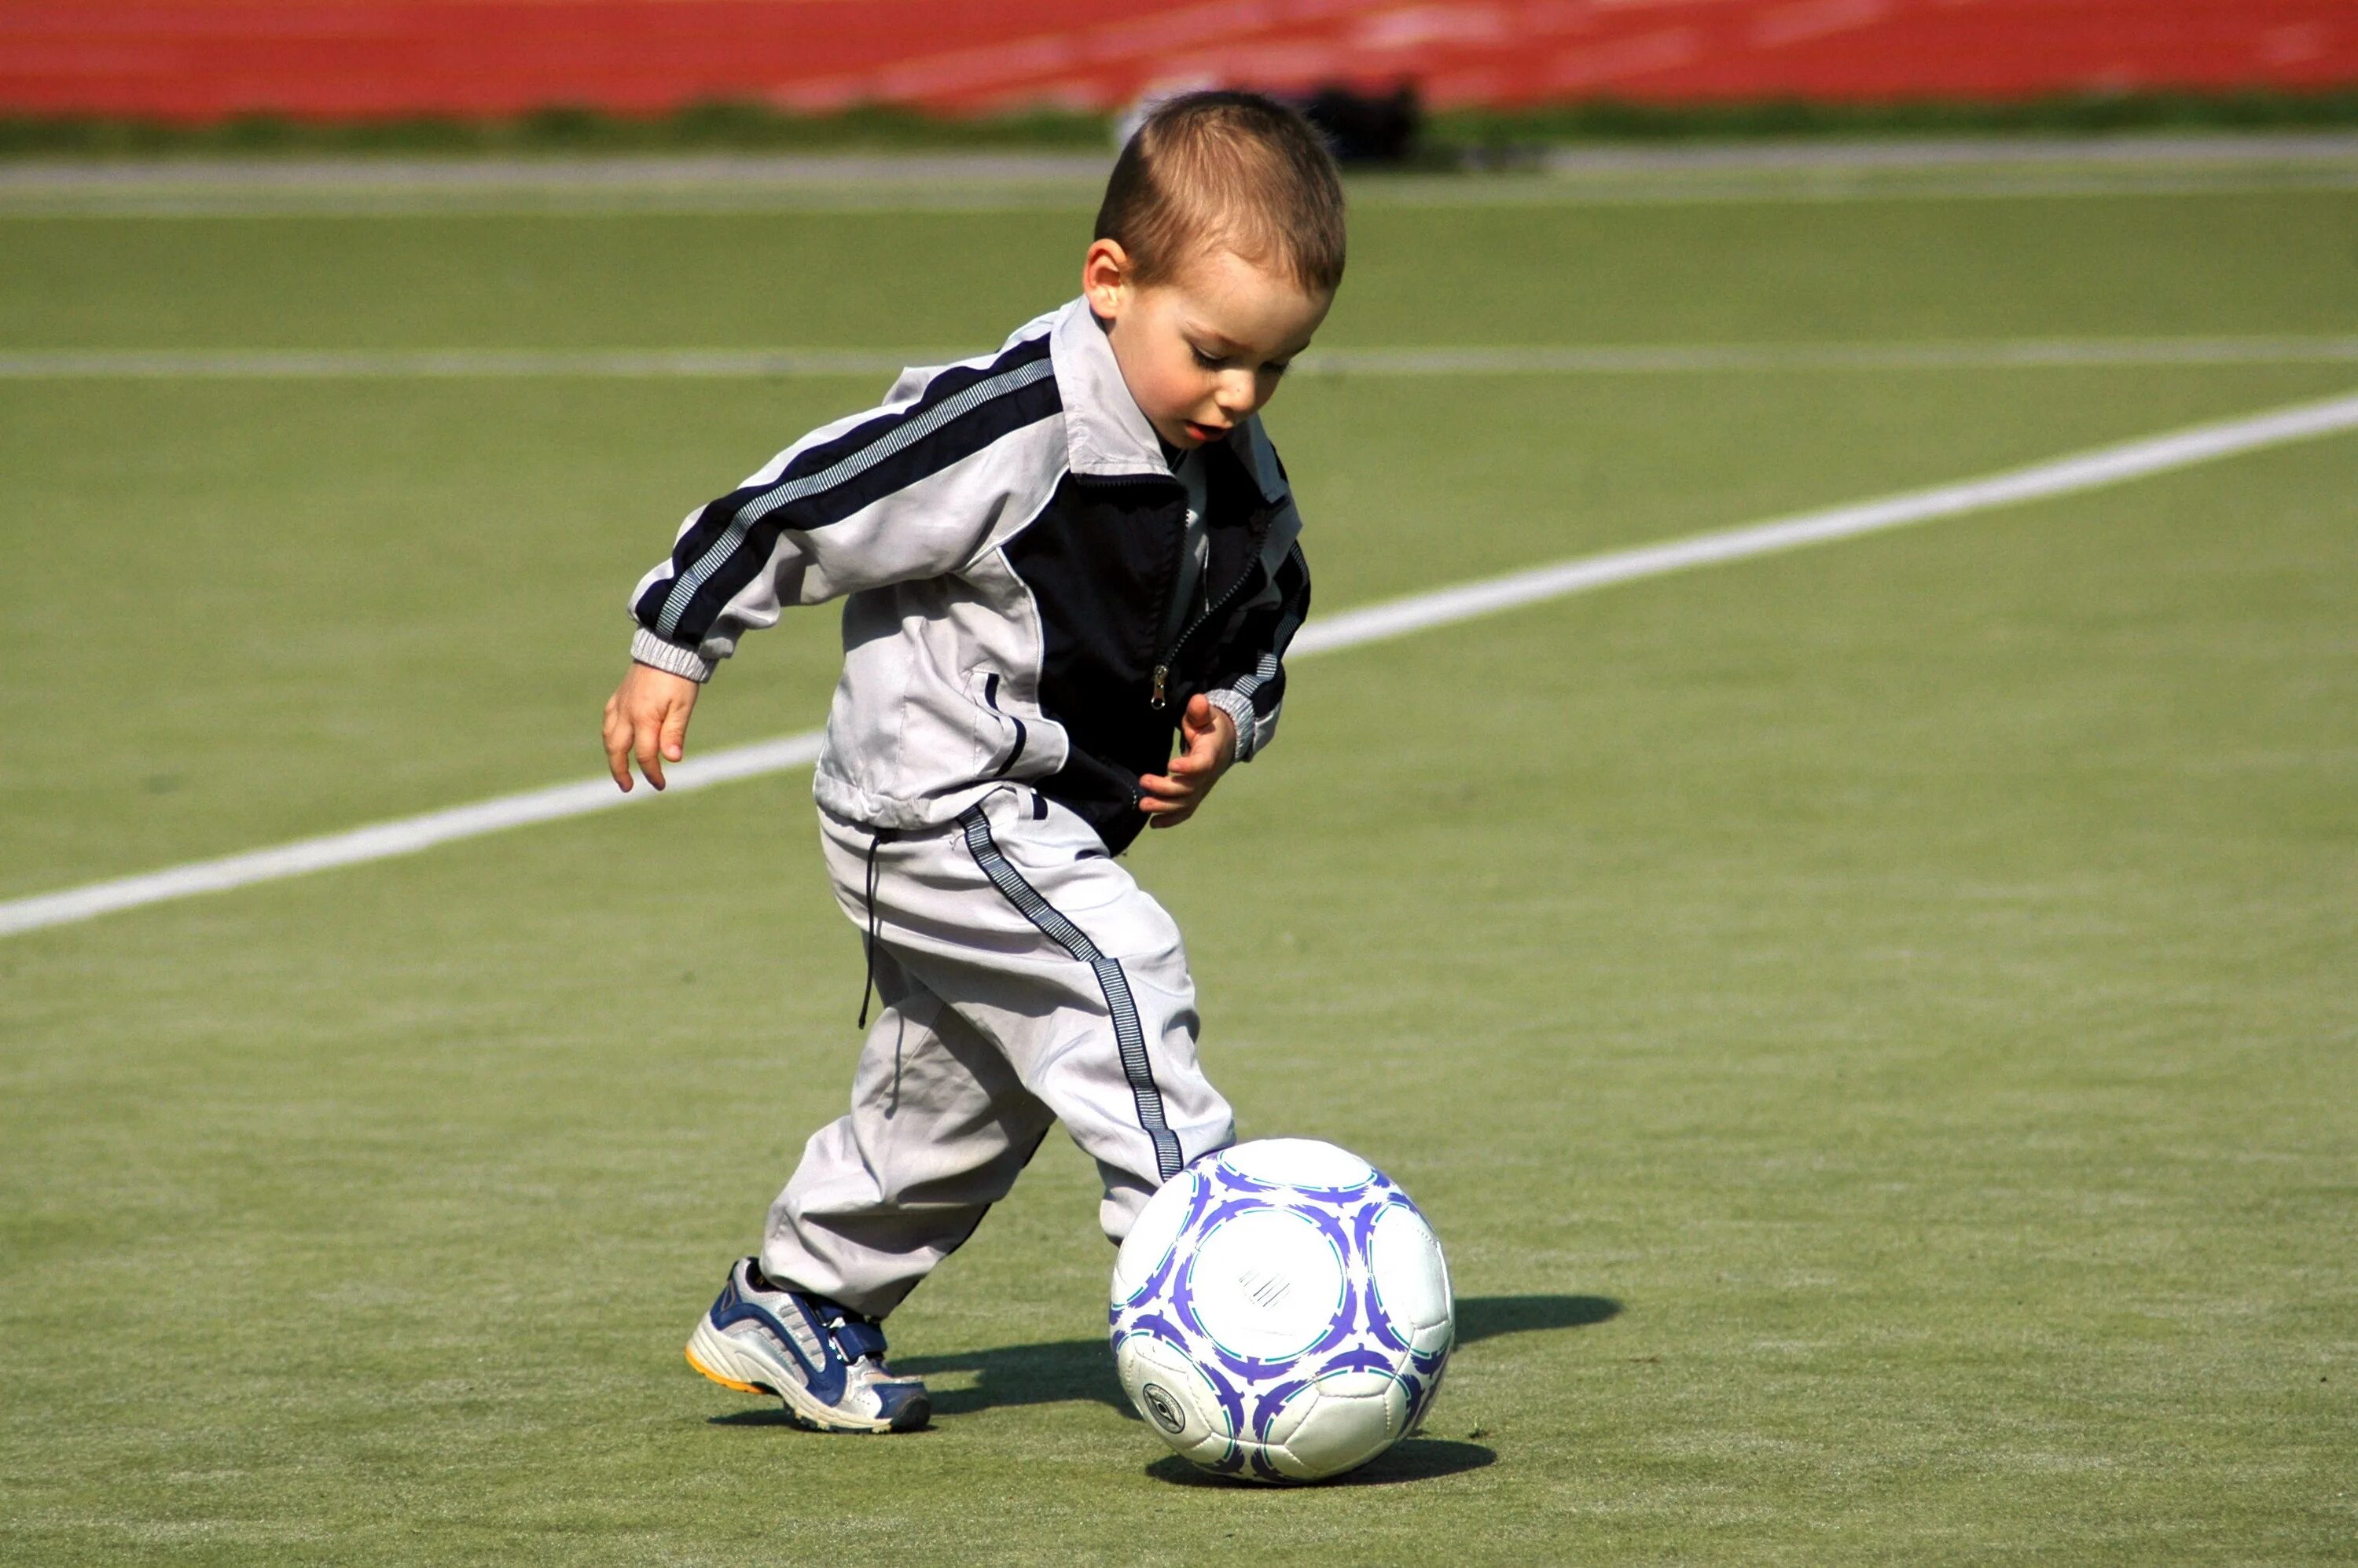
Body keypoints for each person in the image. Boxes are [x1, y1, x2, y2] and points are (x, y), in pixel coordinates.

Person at [601, 90, 1342, 1434]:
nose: (1239, 396)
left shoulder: (1228, 460)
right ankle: (1222, 1281)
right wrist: (677, 635)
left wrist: (1231, 718)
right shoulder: (1013, 423)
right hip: (939, 803)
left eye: (1273, 370)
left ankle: (797, 1301)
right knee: (1123, 969)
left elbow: (1268, 608)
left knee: (959, 1112)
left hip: (1038, 819)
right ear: (1111, 283)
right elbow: (810, 502)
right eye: (1215, 353)